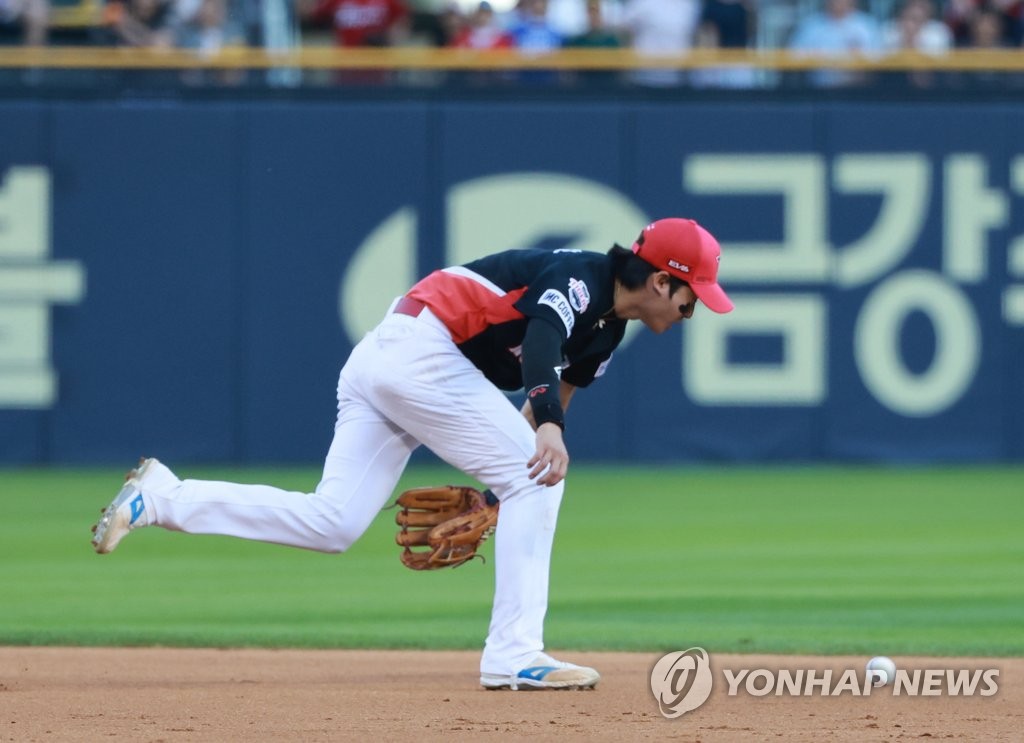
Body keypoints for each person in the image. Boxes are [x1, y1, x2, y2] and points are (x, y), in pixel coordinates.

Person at [91, 218, 734, 691]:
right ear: (658, 280)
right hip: (420, 352)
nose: (693, 310)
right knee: (540, 477)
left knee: (334, 521)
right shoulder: (580, 278)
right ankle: (514, 653)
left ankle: (162, 497)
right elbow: (541, 344)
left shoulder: (607, 332)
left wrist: (505, 479)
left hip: (391, 361)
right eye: (692, 296)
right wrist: (542, 443)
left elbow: (540, 409)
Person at [788, 0, 883, 87]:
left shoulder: (866, 25)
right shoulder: (811, 26)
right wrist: (813, 56)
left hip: (858, 90)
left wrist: (858, 57)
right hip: (817, 90)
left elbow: (880, 60)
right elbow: (792, 56)